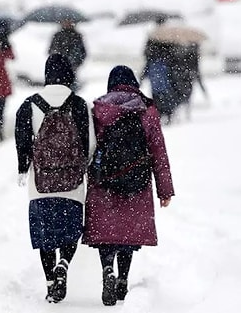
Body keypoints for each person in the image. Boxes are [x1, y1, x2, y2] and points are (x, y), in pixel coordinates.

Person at [83, 66, 174, 305]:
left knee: (107, 234)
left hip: (105, 183)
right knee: (127, 234)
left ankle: (107, 270)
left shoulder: (99, 109)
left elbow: (89, 148)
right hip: (137, 182)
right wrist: (165, 190)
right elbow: (158, 152)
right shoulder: (146, 109)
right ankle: (122, 278)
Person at [14, 54, 95, 303]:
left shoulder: (30, 104)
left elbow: (22, 141)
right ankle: (63, 264)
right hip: (72, 184)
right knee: (70, 231)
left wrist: (22, 167)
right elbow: (90, 144)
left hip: (41, 184)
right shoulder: (79, 105)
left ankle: (51, 281)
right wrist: (82, 167)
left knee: (46, 235)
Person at [140, 39, 176, 124]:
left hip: (156, 84)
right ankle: (166, 116)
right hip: (163, 84)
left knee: (157, 101)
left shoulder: (152, 58)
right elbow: (171, 73)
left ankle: (160, 116)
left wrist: (142, 79)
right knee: (165, 101)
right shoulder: (167, 57)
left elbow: (146, 70)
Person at [170, 43, 208, 120]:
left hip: (181, 79)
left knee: (180, 97)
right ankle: (185, 114)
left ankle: (180, 114)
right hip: (188, 79)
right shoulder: (193, 54)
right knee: (186, 97)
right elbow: (196, 71)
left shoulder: (180, 52)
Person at [48, 19, 87, 91]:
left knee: (71, 86)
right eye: (65, 21)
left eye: (69, 21)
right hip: (59, 67)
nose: (67, 23)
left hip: (72, 66)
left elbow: (82, 52)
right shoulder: (57, 35)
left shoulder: (77, 36)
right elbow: (51, 50)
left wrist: (76, 62)